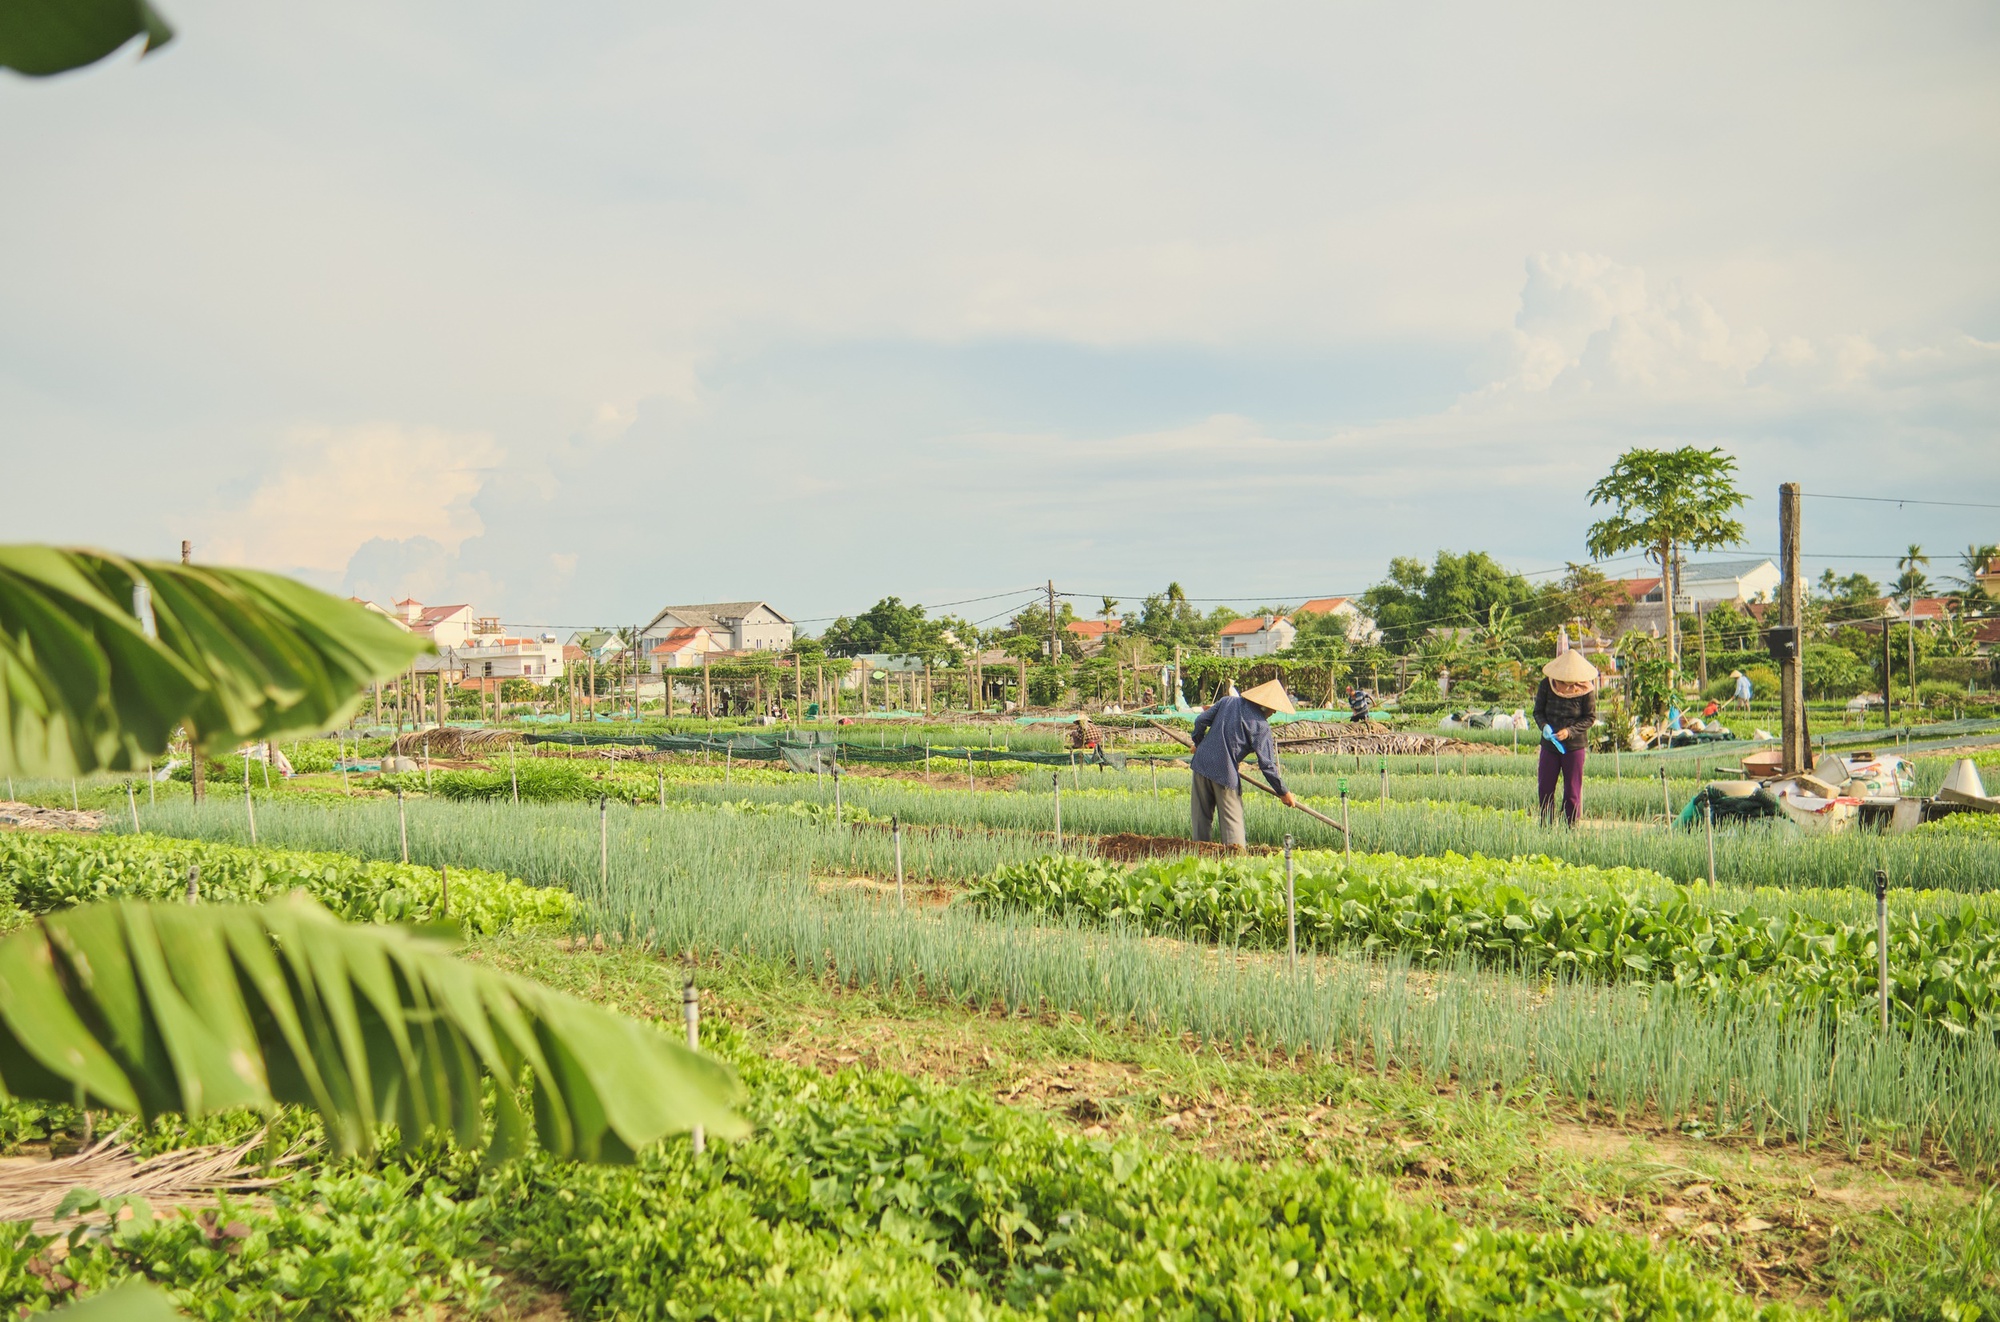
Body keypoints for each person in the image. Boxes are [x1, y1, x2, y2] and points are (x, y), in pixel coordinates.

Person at [1190, 679, 1297, 849]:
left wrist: (1198, 743)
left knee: (1200, 822)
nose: (1274, 712)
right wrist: (1283, 792)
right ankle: (1236, 865)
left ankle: (1198, 859)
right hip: (1224, 772)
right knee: (1233, 827)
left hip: (1201, 764)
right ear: (1264, 705)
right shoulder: (1260, 726)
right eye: (1273, 708)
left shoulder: (1227, 702)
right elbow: (1267, 764)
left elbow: (1200, 721)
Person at [1533, 650, 1598, 827]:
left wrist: (1569, 732)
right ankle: (1545, 826)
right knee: (1545, 787)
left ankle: (1570, 827)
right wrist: (1544, 726)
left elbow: (1589, 718)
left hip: (1574, 746)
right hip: (1550, 745)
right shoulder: (1547, 685)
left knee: (1572, 791)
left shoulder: (1586, 690)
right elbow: (1538, 712)